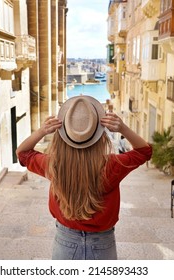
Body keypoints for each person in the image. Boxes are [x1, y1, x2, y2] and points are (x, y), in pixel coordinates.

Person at [16, 95, 152, 260]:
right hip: (103, 242)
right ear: (99, 136)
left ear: (63, 133)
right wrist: (123, 128)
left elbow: (22, 153)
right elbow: (144, 151)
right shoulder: (112, 165)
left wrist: (42, 131)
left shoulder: (53, 165)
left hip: (65, 240)